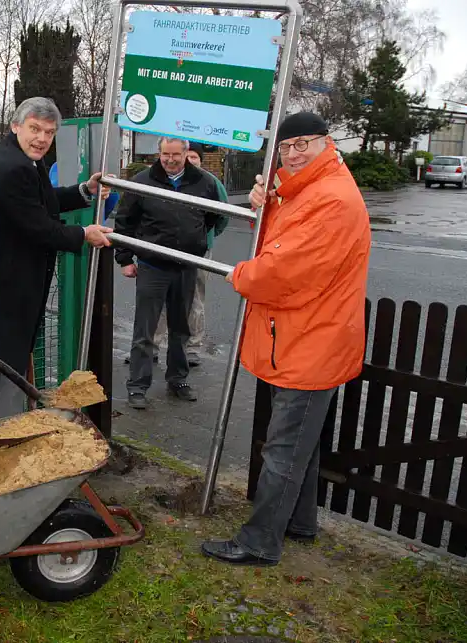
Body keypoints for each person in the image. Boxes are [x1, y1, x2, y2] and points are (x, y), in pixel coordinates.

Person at [201, 112, 371, 567]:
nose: (292, 154)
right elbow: (283, 236)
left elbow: (284, 270)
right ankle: (300, 523)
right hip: (305, 337)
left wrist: (241, 275)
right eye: (285, 147)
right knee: (299, 445)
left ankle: (259, 542)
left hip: (311, 340)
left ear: (326, 143)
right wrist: (269, 203)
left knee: (283, 451)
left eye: (303, 144)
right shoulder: (310, 189)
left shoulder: (331, 198)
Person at [0, 97, 111, 424]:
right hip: (2, 292)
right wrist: (83, 233)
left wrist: (84, 191)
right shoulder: (12, 167)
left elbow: (42, 201)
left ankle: (0, 431)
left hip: (9, 291)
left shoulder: (22, 159)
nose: (42, 138)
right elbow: (39, 226)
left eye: (49, 132)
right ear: (15, 125)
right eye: (35, 129)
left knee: (6, 368)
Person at [114, 137, 223, 410]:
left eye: (176, 155)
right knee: (145, 330)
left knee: (180, 329)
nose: (170, 160)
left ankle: (178, 379)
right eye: (165, 154)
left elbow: (213, 216)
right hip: (153, 266)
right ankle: (138, 386)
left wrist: (196, 241)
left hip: (186, 266)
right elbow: (125, 221)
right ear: (159, 153)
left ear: (186, 153)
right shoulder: (141, 182)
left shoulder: (205, 183)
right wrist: (124, 258)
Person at [151, 142, 229, 367]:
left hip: (198, 252)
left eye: (195, 157)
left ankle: (192, 347)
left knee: (194, 299)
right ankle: (152, 345)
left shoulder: (211, 183)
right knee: (160, 298)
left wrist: (204, 236)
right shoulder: (164, 179)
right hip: (165, 249)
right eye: (189, 157)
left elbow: (222, 215)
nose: (191, 161)